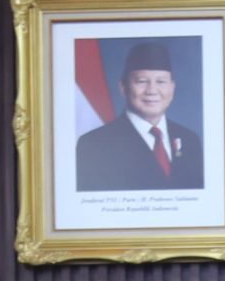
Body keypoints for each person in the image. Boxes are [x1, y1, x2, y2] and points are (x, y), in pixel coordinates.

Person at [73, 41, 205, 191]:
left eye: (161, 81)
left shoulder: (189, 140)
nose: (152, 90)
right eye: (142, 81)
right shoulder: (93, 145)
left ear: (172, 88)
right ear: (123, 88)